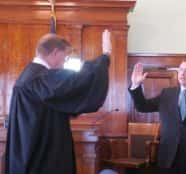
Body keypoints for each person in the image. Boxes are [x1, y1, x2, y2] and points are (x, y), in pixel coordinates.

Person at [5, 30, 112, 174]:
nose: (63, 64)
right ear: (55, 53)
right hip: (40, 158)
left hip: (28, 153)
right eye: (64, 58)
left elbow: (63, 97)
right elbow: (78, 82)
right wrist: (105, 56)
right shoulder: (41, 78)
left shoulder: (31, 75)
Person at [128, 60, 186, 174]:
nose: (182, 73)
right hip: (168, 156)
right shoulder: (167, 94)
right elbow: (143, 107)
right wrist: (136, 86)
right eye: (180, 69)